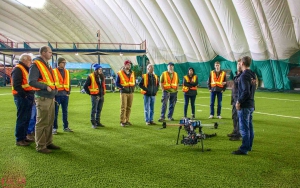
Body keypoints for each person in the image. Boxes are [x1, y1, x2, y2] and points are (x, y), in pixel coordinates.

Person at [29, 46, 60, 154]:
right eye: (50, 52)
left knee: (49, 121)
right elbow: (31, 81)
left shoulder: (46, 65)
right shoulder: (36, 64)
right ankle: (41, 146)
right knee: (42, 122)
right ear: (43, 53)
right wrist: (45, 87)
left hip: (50, 97)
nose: (51, 54)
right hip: (42, 97)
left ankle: (48, 142)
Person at [232, 56, 256, 155]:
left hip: (245, 105)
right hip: (251, 104)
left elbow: (246, 91)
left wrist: (239, 102)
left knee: (244, 128)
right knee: (249, 127)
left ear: (242, 63)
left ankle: (244, 149)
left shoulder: (244, 75)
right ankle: (249, 146)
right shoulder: (253, 74)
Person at [11, 53, 35, 146]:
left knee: (27, 118)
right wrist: (24, 96)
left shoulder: (25, 69)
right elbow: (16, 85)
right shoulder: (18, 69)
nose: (31, 62)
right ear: (24, 60)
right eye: (29, 60)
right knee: (22, 118)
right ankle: (19, 139)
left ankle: (24, 137)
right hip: (22, 97)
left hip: (27, 96)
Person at [52, 57, 73, 134]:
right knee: (55, 112)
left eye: (65, 62)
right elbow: (52, 83)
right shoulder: (53, 71)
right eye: (63, 62)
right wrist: (53, 95)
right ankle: (54, 128)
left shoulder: (67, 71)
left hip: (65, 95)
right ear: (59, 63)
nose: (64, 64)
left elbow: (68, 82)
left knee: (65, 111)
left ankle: (66, 127)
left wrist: (68, 93)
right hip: (56, 95)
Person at [83, 64, 106, 129]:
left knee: (99, 109)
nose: (101, 70)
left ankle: (97, 122)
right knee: (94, 110)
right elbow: (85, 86)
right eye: (99, 69)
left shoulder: (102, 76)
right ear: (96, 70)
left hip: (101, 95)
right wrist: (90, 93)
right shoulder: (91, 76)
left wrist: (102, 94)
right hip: (95, 96)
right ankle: (93, 123)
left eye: (101, 69)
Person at [116, 60, 135, 127]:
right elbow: (117, 83)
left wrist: (133, 89)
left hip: (131, 92)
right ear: (125, 65)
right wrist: (122, 87)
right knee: (123, 107)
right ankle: (122, 121)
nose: (129, 66)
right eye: (128, 64)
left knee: (129, 107)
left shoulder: (132, 73)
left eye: (130, 65)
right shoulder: (120, 73)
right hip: (124, 92)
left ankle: (127, 120)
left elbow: (133, 82)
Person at [227, 59, 242, 141]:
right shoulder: (236, 75)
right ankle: (235, 131)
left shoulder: (242, 76)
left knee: (239, 117)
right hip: (234, 99)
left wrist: (239, 101)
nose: (238, 66)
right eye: (237, 64)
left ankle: (238, 134)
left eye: (240, 64)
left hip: (238, 100)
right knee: (234, 116)